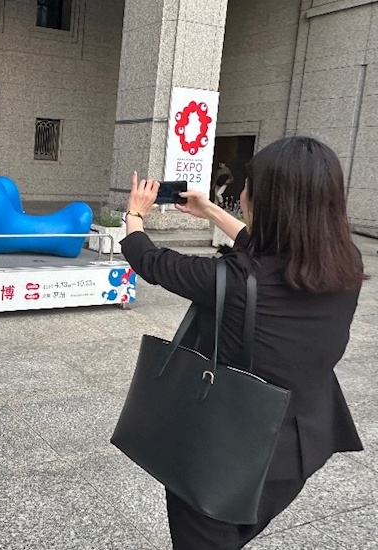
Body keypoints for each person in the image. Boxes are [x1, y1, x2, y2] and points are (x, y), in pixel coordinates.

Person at [120, 137, 365, 549]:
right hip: (296, 452)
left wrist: (135, 214)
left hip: (224, 457)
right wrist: (209, 210)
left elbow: (149, 260)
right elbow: (268, 247)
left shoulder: (233, 280)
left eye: (248, 187)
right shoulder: (345, 263)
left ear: (267, 203)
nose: (243, 194)